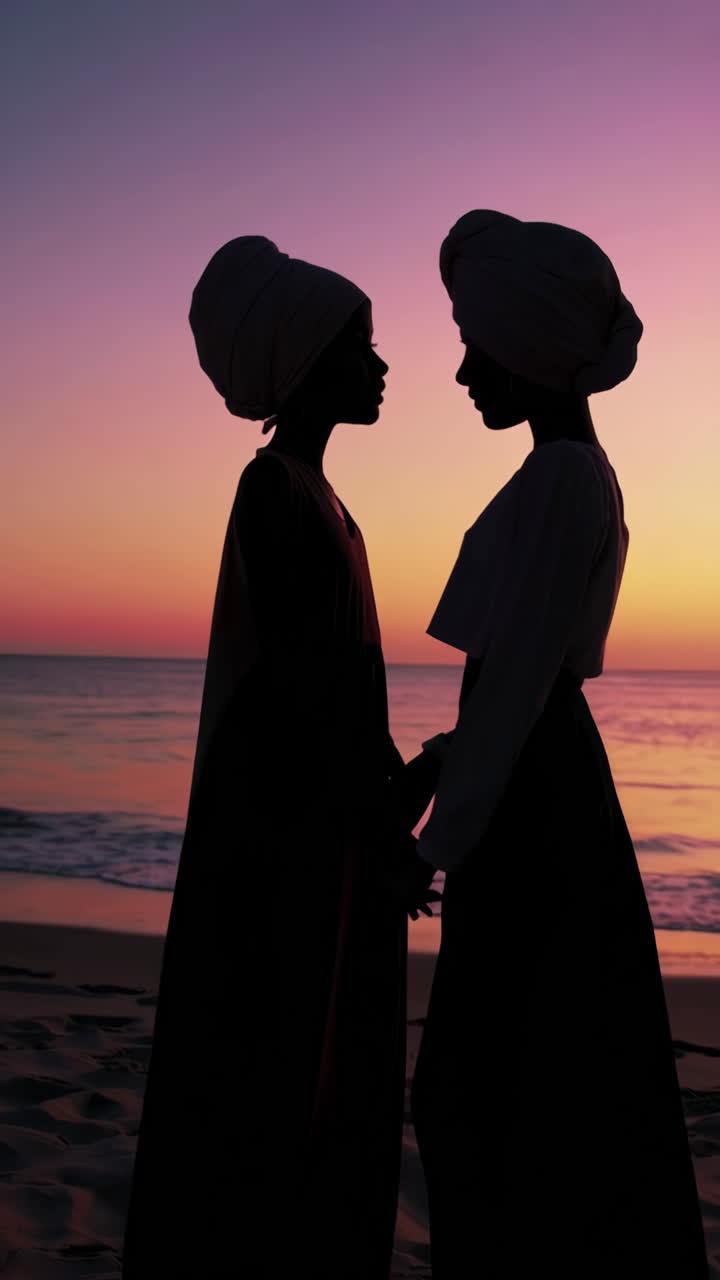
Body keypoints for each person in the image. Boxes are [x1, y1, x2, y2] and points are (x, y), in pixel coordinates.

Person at [120, 236, 440, 1280]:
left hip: (324, 827)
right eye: (362, 346)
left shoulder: (322, 499)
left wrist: (403, 786)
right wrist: (388, 820)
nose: (383, 368)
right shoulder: (277, 492)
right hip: (288, 843)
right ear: (306, 364)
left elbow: (342, 691)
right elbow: (309, 696)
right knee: (284, 1076)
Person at [410, 210, 708, 1278]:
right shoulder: (575, 473)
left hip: (536, 808)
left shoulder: (562, 479)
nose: (461, 373)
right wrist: (448, 762)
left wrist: (436, 839)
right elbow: (516, 683)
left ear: (529, 349)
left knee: (492, 1086)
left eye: (477, 347)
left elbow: (521, 680)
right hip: (540, 788)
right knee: (532, 1079)